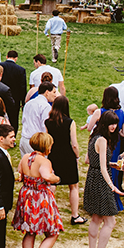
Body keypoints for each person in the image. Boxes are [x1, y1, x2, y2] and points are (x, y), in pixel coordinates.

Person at [12, 132, 63, 248]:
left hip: (26, 195)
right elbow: (46, 176)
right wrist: (56, 178)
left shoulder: (25, 158)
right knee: (53, 232)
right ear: (46, 146)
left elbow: (20, 175)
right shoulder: (44, 161)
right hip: (40, 198)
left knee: (30, 231)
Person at [82, 111, 124, 248]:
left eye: (115, 123)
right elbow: (102, 168)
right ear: (104, 123)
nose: (114, 126)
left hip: (92, 178)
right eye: (111, 123)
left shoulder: (94, 137)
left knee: (96, 217)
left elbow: (88, 161)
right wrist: (112, 186)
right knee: (110, 221)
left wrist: (111, 164)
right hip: (101, 181)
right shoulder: (102, 140)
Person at [45, 95, 84, 224]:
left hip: (53, 154)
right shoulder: (70, 122)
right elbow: (74, 144)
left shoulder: (48, 122)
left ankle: (48, 213)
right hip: (67, 155)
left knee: (52, 184)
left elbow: (47, 140)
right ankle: (75, 215)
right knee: (73, 186)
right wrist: (77, 156)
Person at [19, 82, 57, 155]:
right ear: (47, 92)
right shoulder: (46, 106)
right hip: (36, 143)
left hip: (24, 139)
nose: (55, 95)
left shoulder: (29, 103)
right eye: (54, 92)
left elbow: (23, 120)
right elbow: (45, 126)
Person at [0, 50, 27, 131]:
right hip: (14, 99)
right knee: (13, 119)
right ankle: (12, 134)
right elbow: (22, 87)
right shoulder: (21, 70)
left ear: (7, 56)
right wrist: (23, 102)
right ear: (16, 58)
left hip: (0, 97)